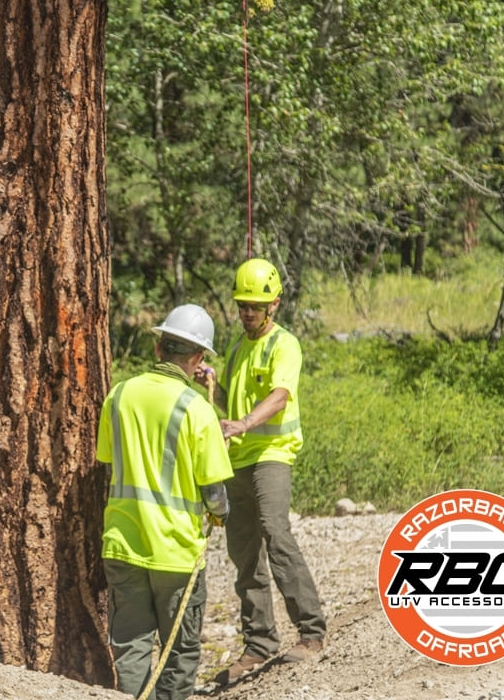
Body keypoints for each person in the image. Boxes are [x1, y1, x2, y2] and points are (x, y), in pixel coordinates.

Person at [96, 304, 233, 700]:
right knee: (180, 650)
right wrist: (221, 514)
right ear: (198, 358)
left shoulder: (119, 396)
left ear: (159, 349)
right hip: (175, 553)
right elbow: (214, 493)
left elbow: (110, 463)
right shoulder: (197, 410)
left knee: (132, 647)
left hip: (122, 544)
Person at [207, 258, 327, 686]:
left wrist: (242, 424)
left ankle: (312, 632)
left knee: (276, 533)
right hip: (237, 459)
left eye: (255, 305)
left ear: (274, 303)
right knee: (244, 553)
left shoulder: (284, 345)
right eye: (242, 304)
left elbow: (278, 397)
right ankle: (259, 643)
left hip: (272, 454)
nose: (247, 312)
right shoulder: (238, 348)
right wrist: (210, 385)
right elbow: (231, 404)